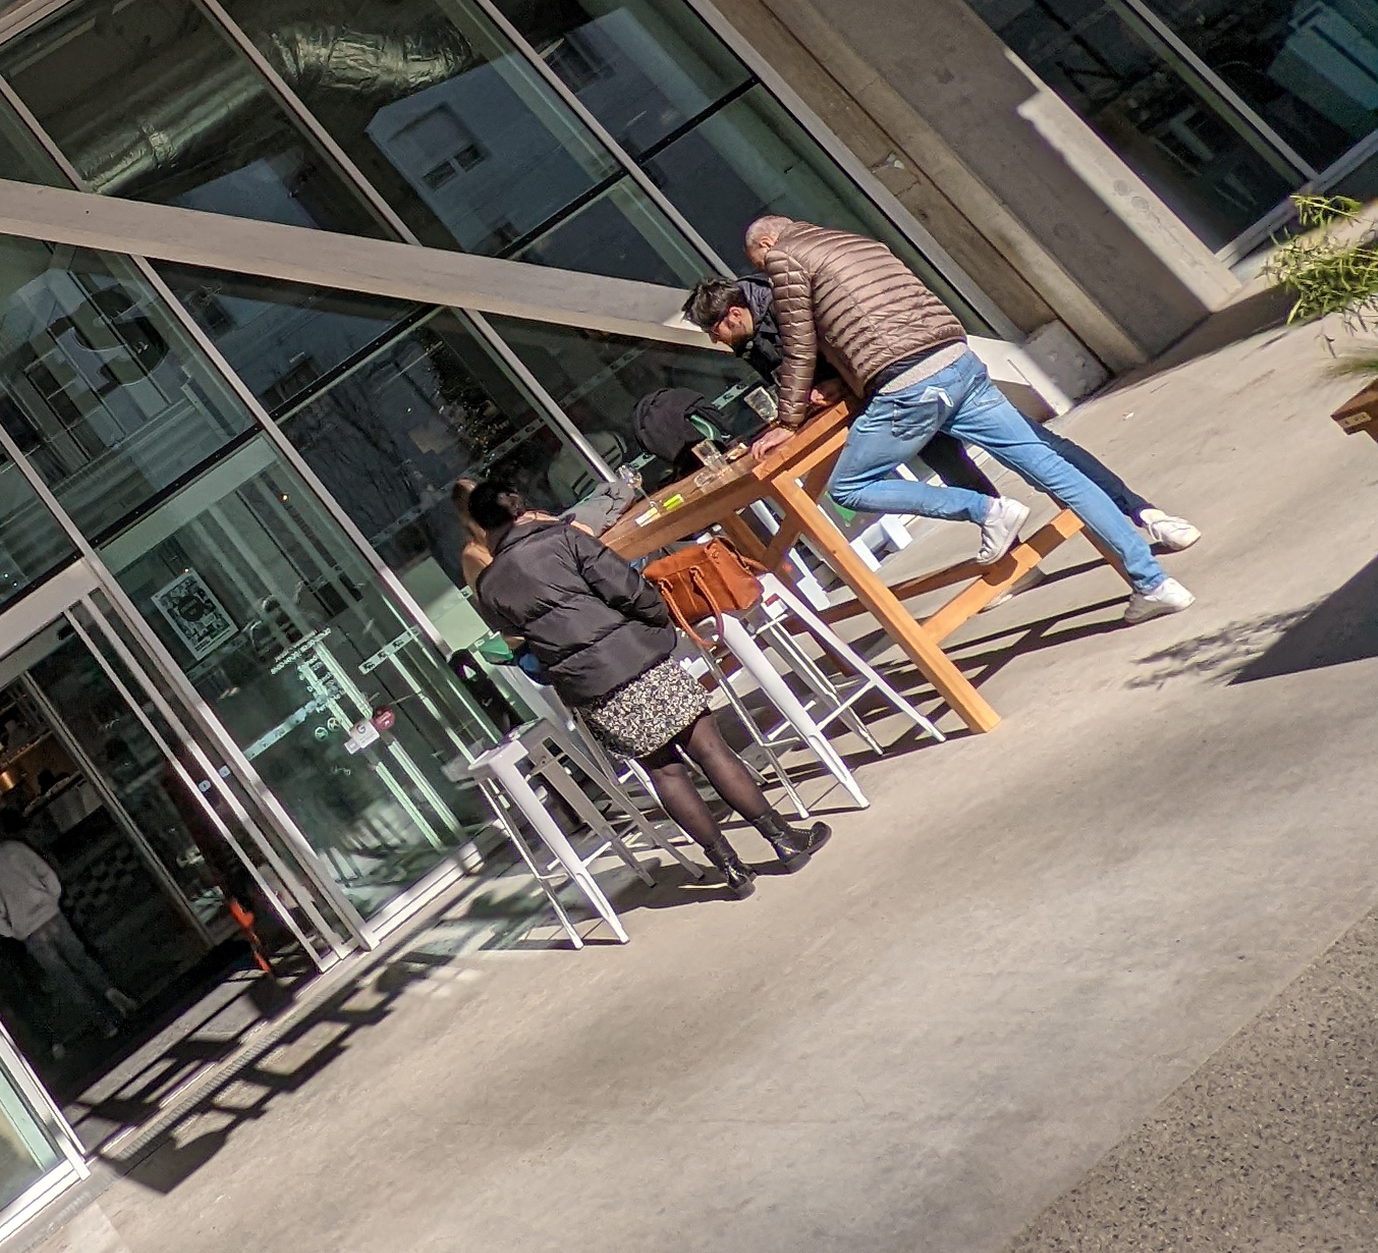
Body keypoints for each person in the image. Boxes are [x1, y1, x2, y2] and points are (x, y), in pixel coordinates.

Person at [744, 218, 1194, 622]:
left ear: (767, 242)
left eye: (759, 263)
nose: (766, 272)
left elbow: (800, 345)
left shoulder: (786, 256)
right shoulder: (855, 240)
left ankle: (987, 510)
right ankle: (1154, 583)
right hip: (956, 360)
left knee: (848, 487)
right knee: (1056, 471)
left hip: (906, 382)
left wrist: (787, 421)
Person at [469, 472, 823, 896]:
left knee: (664, 772)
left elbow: (519, 638)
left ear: (484, 527)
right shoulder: (563, 538)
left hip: (590, 688)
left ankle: (730, 869)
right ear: (519, 505)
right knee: (709, 749)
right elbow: (627, 588)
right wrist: (656, 621)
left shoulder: (488, 586)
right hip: (636, 659)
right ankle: (783, 839)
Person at [682, 274, 1196, 551]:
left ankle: (1142, 513)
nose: (714, 341)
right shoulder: (750, 338)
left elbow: (847, 339)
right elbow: (795, 376)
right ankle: (1014, 553)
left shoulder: (787, 302)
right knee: (955, 467)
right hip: (887, 399)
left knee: (1040, 450)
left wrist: (836, 381)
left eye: (713, 330)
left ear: (733, 313)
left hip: (907, 381)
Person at [0, 814, 133, 1043]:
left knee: (65, 978)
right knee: (80, 958)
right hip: (51, 915)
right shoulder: (13, 848)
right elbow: (45, 872)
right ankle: (110, 990)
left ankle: (104, 1021)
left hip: (29, 932)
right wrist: (52, 899)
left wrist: (13, 931)